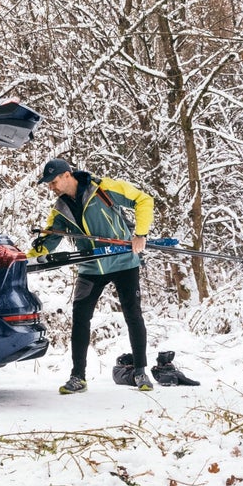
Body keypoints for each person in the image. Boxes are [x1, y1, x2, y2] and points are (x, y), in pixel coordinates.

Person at [28, 158, 156, 394]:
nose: (51, 187)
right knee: (80, 317)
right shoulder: (60, 209)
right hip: (90, 267)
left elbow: (144, 200)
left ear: (68, 175)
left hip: (123, 261)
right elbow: (49, 240)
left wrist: (140, 233)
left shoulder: (104, 188)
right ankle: (78, 377)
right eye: (49, 184)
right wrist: (28, 257)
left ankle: (140, 371)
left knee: (132, 313)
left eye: (54, 182)